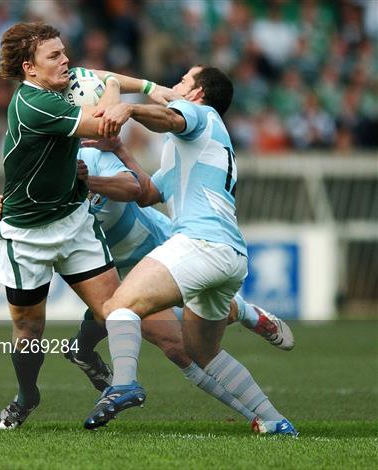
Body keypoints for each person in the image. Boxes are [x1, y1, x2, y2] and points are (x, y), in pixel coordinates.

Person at [0, 135, 294, 430]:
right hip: (115, 270)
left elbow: (134, 187)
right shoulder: (29, 184)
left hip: (160, 245)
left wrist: (87, 182)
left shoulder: (91, 156)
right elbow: (23, 240)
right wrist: (0, 221)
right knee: (176, 346)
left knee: (207, 319)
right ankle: (257, 416)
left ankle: (245, 312)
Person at [83, 65, 298, 436]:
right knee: (203, 353)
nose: (174, 85)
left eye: (183, 80)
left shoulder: (201, 114)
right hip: (229, 256)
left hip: (200, 243)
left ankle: (124, 384)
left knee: (118, 307)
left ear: (197, 93)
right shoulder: (190, 147)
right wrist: (120, 148)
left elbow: (168, 118)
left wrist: (130, 108)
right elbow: (149, 193)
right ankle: (275, 420)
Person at [0, 22, 176, 430]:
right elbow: (107, 121)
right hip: (28, 234)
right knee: (28, 329)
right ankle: (26, 396)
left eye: (64, 52)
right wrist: (117, 90)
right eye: (53, 56)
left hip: (74, 223)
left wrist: (145, 87)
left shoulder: (61, 87)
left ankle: (113, 377)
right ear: (30, 68)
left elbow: (102, 80)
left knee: (117, 308)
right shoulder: (34, 103)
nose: (65, 60)